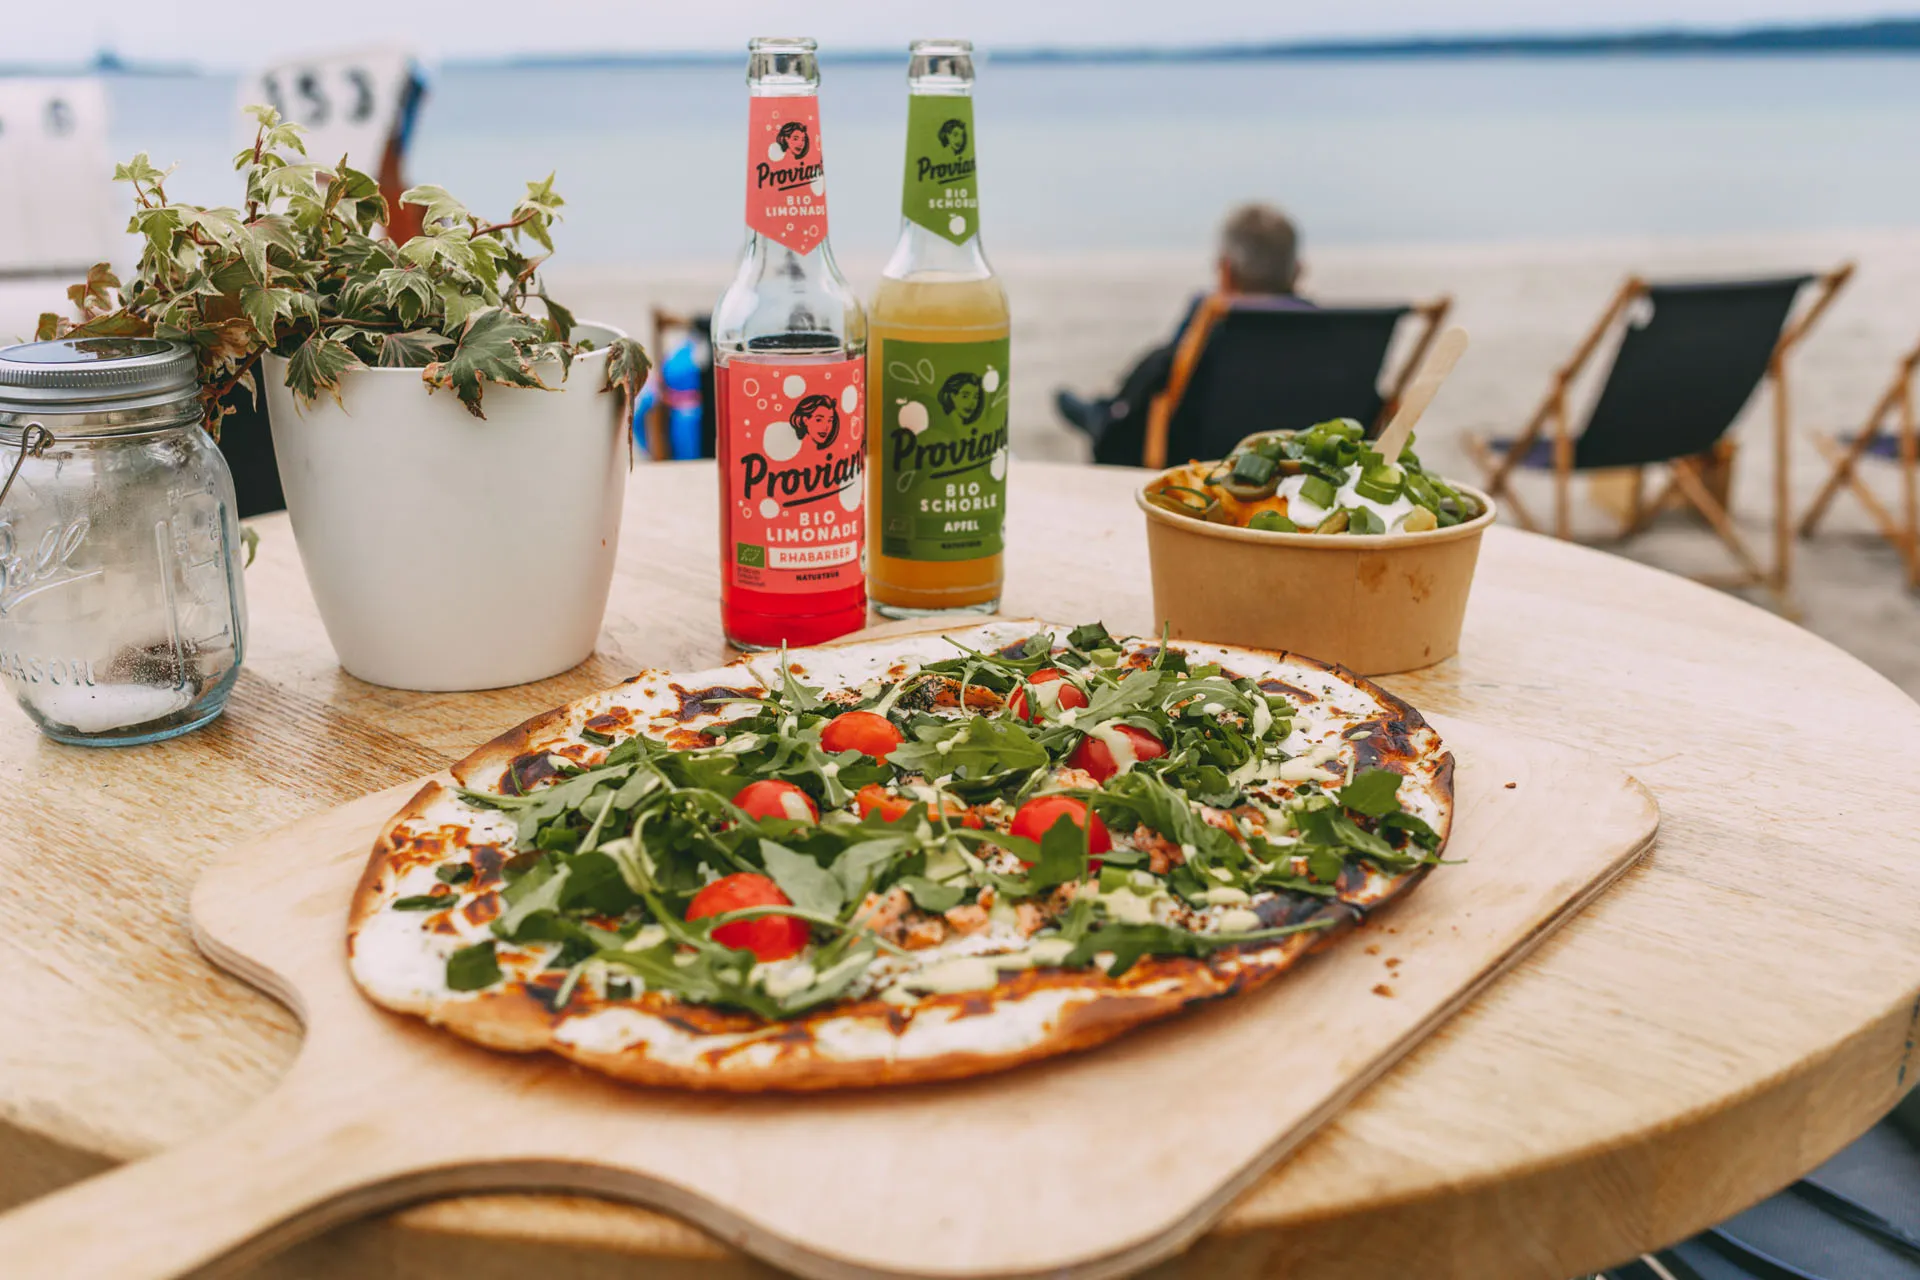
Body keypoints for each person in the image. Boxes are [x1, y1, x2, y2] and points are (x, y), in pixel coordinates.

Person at [1055, 203, 1307, 464]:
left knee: (1150, 380)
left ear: (1225, 271)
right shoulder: (1327, 340)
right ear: (1298, 272)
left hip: (1196, 468)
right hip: (1292, 469)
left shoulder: (1206, 335)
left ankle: (1102, 416)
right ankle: (1104, 412)